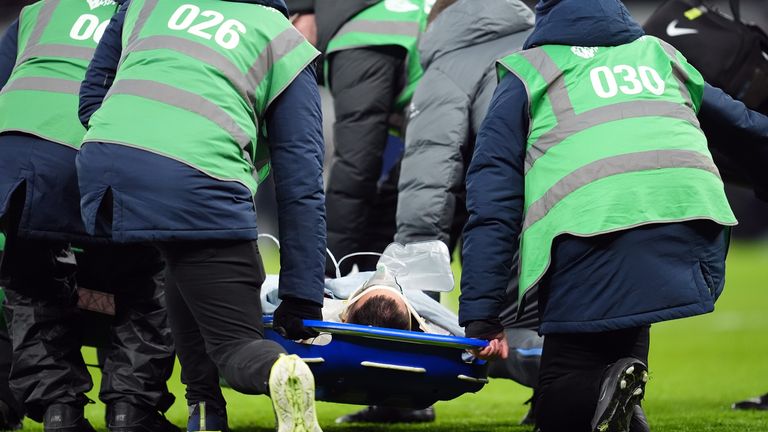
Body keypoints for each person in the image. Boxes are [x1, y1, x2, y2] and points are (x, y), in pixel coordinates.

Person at [459, 0, 767, 431]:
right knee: (621, 351)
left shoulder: (528, 71)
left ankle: (606, 388)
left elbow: (493, 199)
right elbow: (745, 126)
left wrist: (482, 313)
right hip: (692, 223)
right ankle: (618, 395)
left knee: (562, 400)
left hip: (591, 229)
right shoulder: (658, 54)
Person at [77, 0, 328, 430]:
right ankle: (277, 370)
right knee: (235, 344)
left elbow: (89, 102)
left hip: (106, 172)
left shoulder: (147, 5)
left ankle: (205, 410)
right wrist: (302, 297)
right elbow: (301, 182)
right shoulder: (281, 39)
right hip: (201, 180)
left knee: (183, 259)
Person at [0, 1, 180, 430]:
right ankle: (130, 410)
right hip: (97, 151)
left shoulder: (40, 10)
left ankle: (58, 412)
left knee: (31, 285)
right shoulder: (163, 13)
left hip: (14, 159)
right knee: (146, 279)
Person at [394, 0, 541, 424]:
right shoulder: (543, 47)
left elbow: (428, 188)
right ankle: (570, 389)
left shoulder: (449, 65)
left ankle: (580, 377)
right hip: (579, 204)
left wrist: (420, 308)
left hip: (506, 212)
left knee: (503, 334)